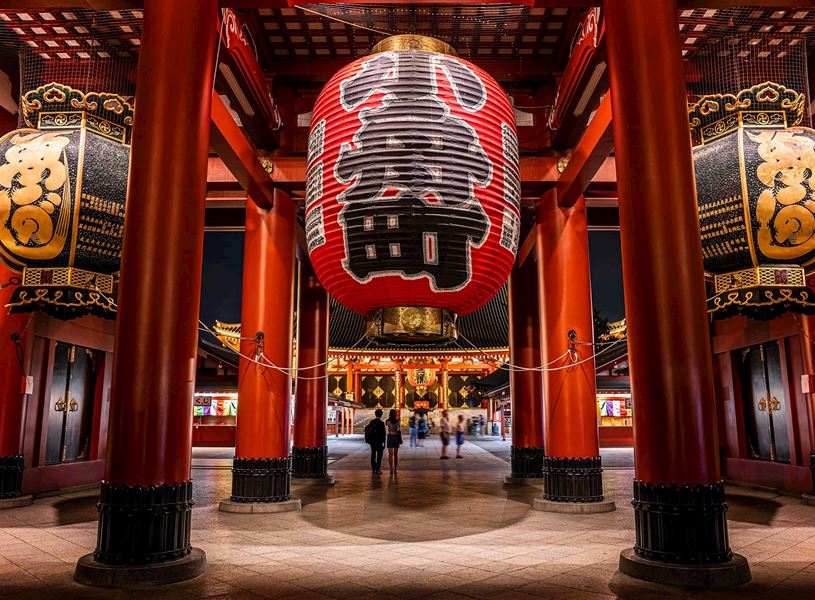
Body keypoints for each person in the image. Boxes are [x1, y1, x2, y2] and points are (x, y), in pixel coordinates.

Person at [365, 409, 386, 474]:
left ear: (375, 414)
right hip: (379, 441)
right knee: (379, 456)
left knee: (373, 455)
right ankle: (378, 469)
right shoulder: (381, 423)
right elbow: (383, 434)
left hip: (372, 441)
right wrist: (384, 442)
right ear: (381, 415)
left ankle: (373, 469)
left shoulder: (371, 422)